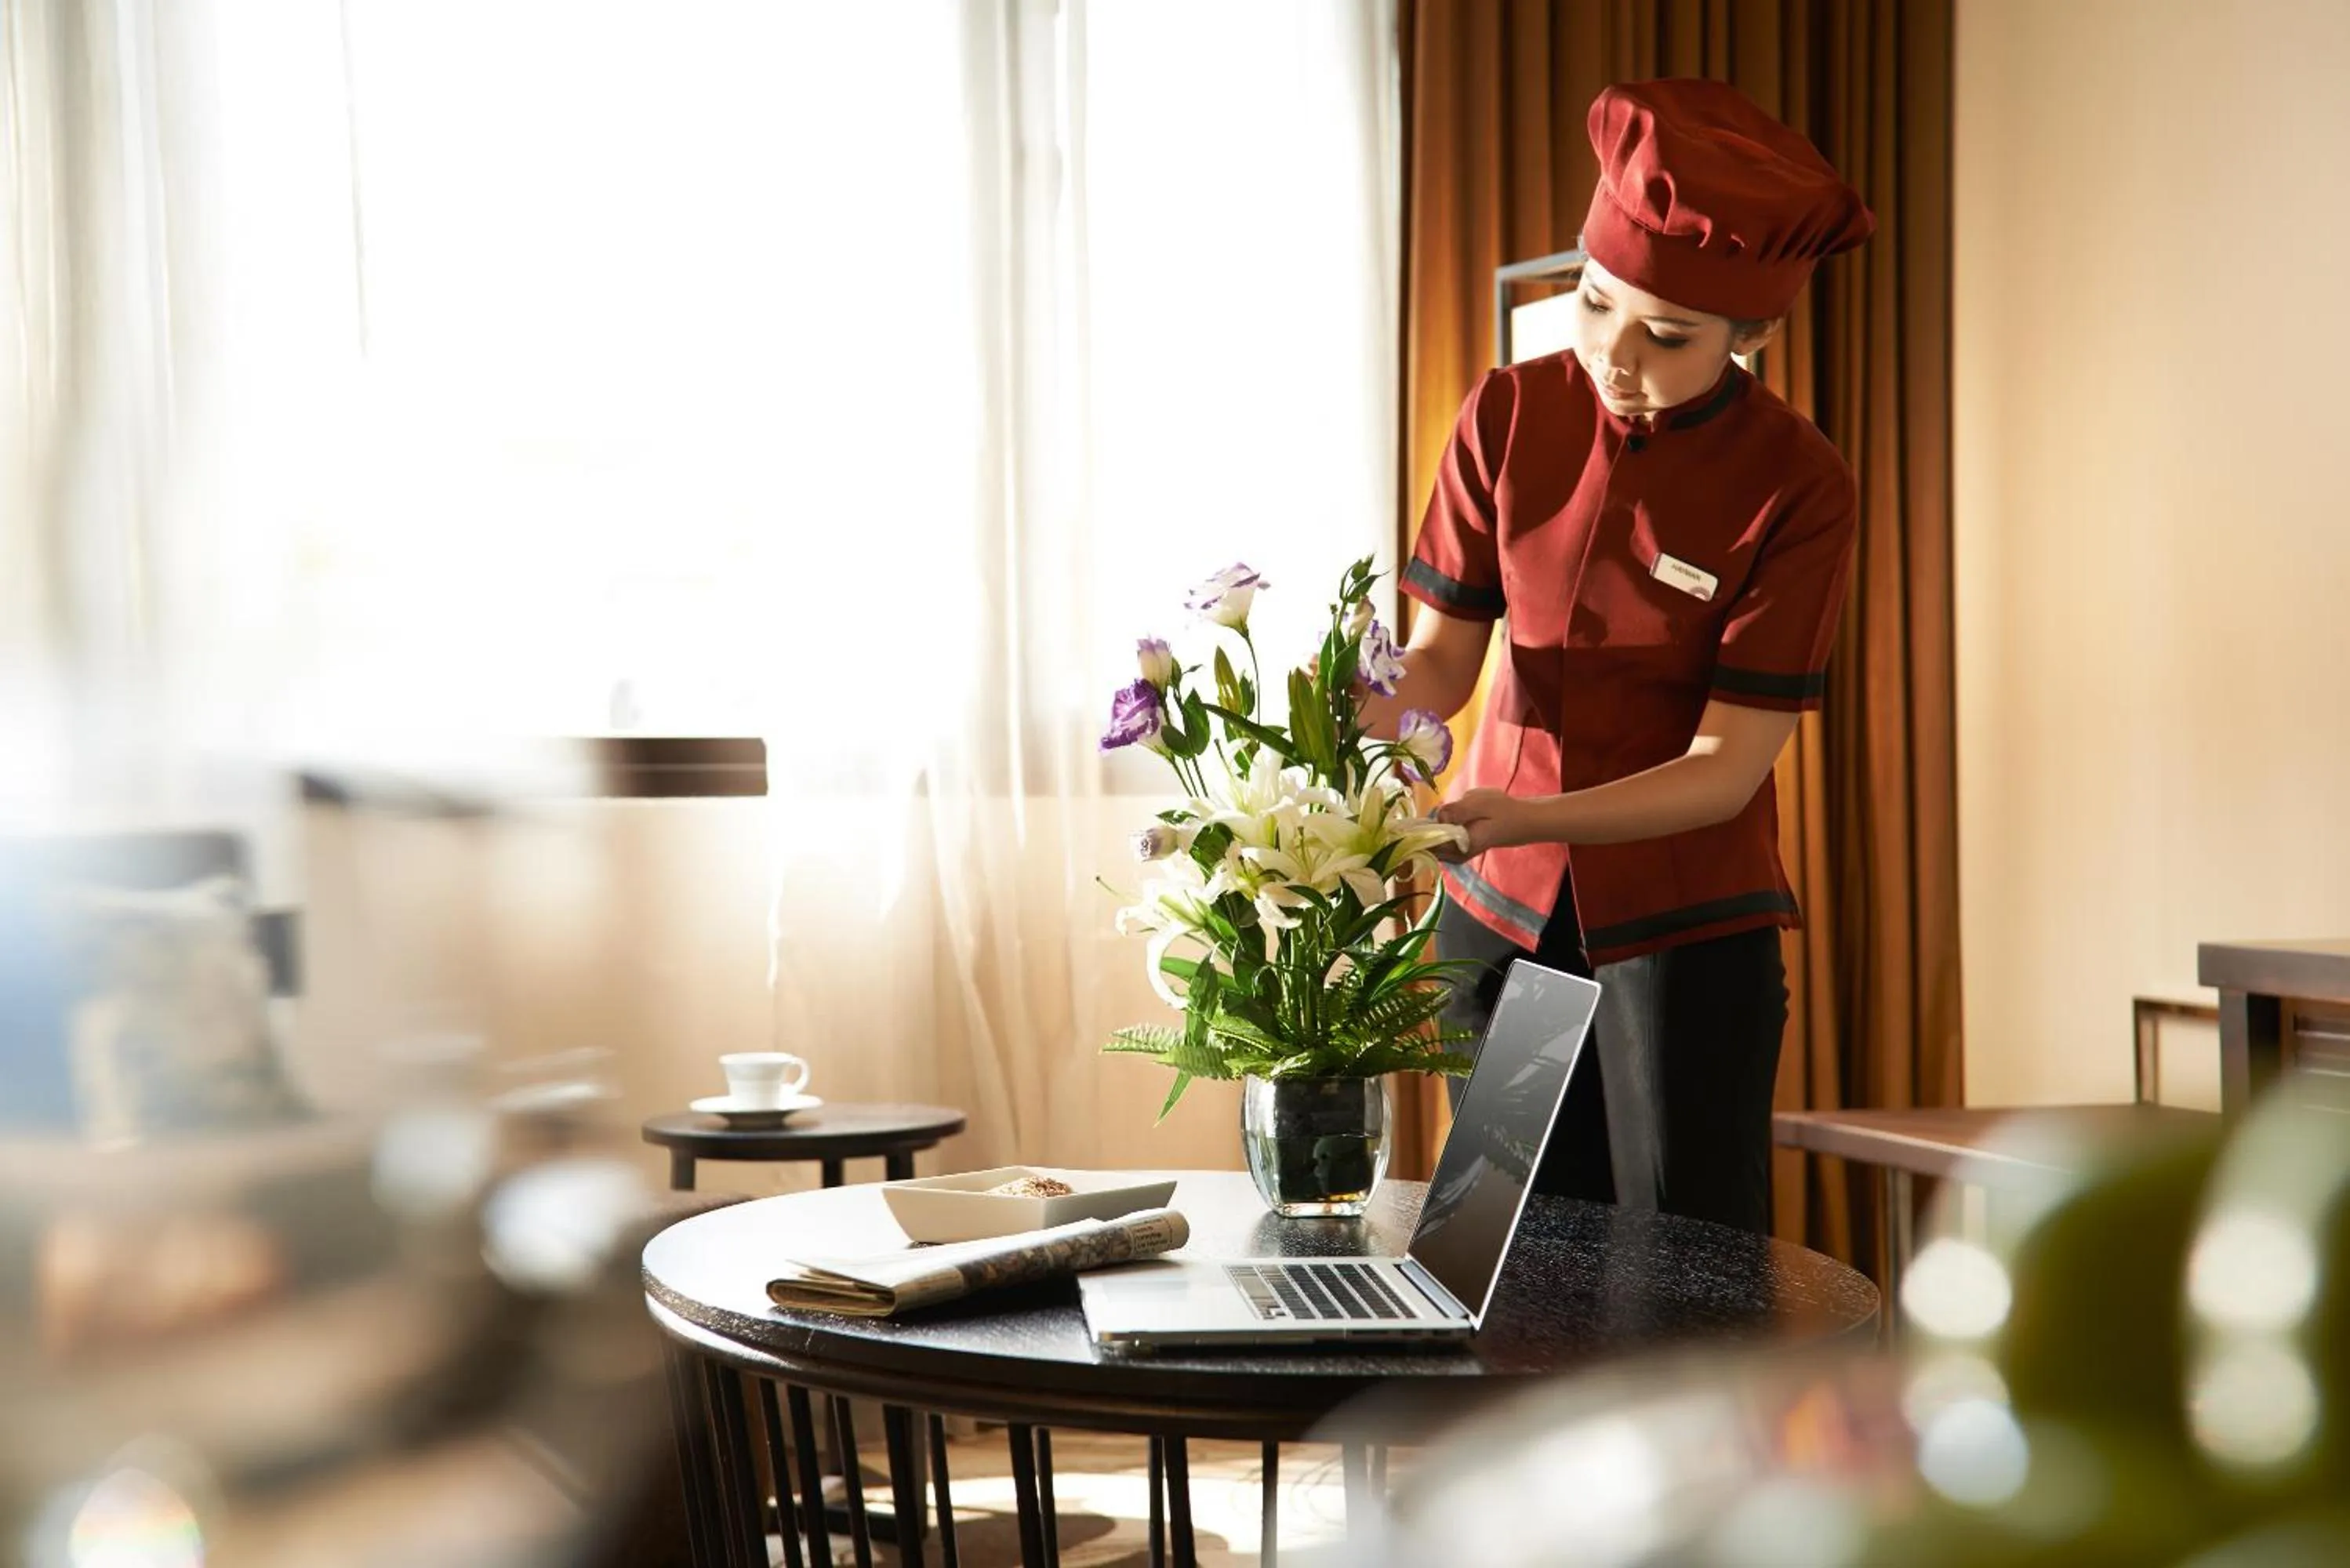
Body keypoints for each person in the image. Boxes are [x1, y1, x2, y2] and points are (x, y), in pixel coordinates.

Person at [1364, 78, 1874, 1236]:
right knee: (1504, 1255)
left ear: (1754, 336)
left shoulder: (1798, 484)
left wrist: (1522, 815)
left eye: (1668, 333)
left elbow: (1725, 769)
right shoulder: (1506, 414)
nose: (1614, 352)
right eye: (1594, 303)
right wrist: (1345, 711)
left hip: (1684, 941)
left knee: (1679, 1285)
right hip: (1505, 921)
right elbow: (1441, 665)